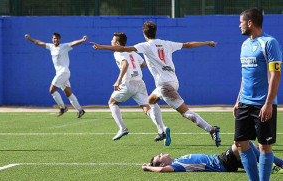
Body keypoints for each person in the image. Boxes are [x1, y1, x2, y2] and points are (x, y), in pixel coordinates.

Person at [90, 21, 221, 147]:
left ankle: (211, 129)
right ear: (155, 32)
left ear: (144, 34)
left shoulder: (145, 46)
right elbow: (188, 45)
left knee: (185, 112)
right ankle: (161, 131)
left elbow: (123, 48)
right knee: (151, 100)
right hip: (173, 81)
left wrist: (102, 47)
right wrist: (207, 42)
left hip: (165, 86)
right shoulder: (166, 43)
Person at [233, 8, 282, 181]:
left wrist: (268, 103)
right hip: (245, 102)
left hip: (263, 103)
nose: (239, 25)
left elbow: (276, 75)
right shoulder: (244, 45)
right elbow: (245, 75)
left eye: (241, 22)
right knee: (240, 144)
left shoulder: (269, 43)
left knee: (264, 146)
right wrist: (238, 100)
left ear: (250, 23)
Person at [106, 32, 169, 143]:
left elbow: (125, 64)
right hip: (139, 82)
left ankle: (122, 128)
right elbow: (143, 64)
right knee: (147, 108)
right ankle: (162, 128)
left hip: (128, 83)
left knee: (112, 102)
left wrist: (118, 81)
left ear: (117, 43)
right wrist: (135, 71)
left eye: (113, 40)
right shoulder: (132, 52)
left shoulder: (118, 52)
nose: (111, 42)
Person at [25, 33, 87, 118]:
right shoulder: (51, 47)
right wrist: (30, 39)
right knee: (68, 93)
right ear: (52, 39)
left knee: (52, 90)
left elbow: (73, 43)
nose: (56, 40)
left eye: (58, 38)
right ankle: (80, 110)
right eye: (54, 38)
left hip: (64, 72)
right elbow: (39, 42)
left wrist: (82, 40)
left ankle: (63, 108)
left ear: (60, 39)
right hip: (61, 74)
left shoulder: (64, 46)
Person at [142, 141, 283, 174]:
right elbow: (161, 171)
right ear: (162, 164)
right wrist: (148, 167)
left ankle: (276, 166)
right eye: (160, 156)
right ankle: (277, 165)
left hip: (221, 159)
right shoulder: (177, 166)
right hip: (222, 163)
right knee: (240, 142)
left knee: (252, 148)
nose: (162, 154)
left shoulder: (178, 160)